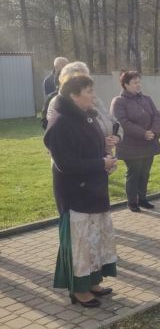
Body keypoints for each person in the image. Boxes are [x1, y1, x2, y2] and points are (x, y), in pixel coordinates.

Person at [44, 74, 118, 308]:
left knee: (96, 240)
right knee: (80, 244)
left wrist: (107, 157)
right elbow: (65, 163)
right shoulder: (61, 123)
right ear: (73, 96)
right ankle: (79, 289)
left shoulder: (88, 117)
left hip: (95, 190)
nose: (94, 96)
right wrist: (100, 164)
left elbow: (91, 150)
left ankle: (93, 281)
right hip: (75, 194)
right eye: (89, 92)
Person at [110, 71, 160, 212]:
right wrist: (143, 133)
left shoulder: (146, 98)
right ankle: (132, 202)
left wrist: (153, 131)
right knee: (134, 173)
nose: (138, 85)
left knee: (145, 172)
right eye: (135, 82)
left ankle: (143, 199)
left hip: (148, 142)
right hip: (130, 145)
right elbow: (123, 122)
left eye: (139, 82)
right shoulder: (119, 101)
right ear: (125, 85)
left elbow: (157, 115)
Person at [44, 62, 123, 146]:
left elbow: (112, 120)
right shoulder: (57, 103)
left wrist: (117, 136)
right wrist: (100, 141)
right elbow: (64, 139)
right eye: (81, 78)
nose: (85, 81)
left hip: (104, 154)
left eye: (86, 77)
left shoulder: (95, 99)